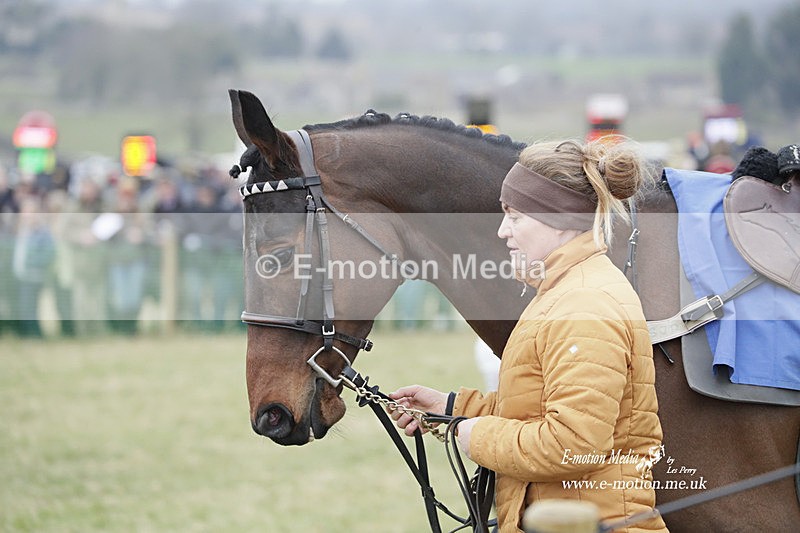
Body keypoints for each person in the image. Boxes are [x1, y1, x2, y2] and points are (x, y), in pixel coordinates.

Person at [389, 139, 667, 532]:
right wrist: (453, 409)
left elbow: (573, 445)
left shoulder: (584, 303)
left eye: (515, 216)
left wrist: (474, 435)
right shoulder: (563, 291)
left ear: (560, 219)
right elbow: (539, 408)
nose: (503, 231)